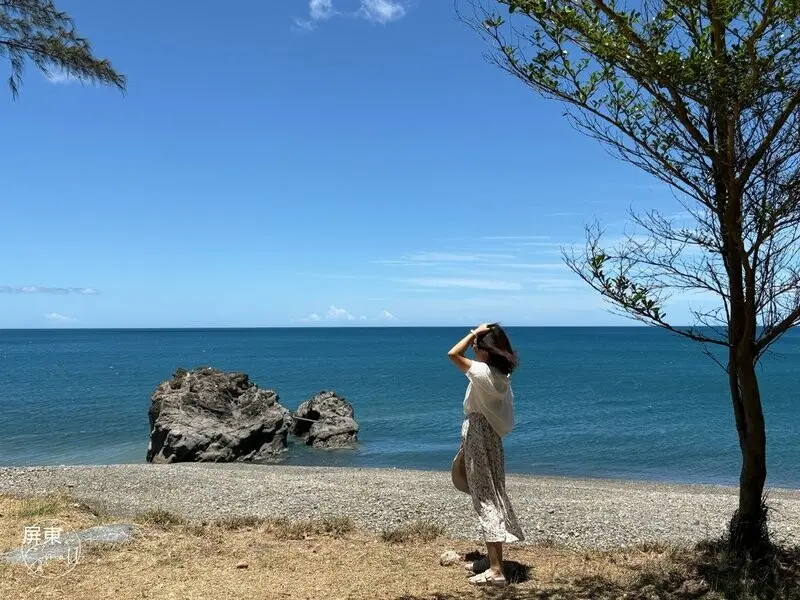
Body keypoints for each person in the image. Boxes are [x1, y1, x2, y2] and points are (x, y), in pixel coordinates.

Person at [447, 323, 524, 587]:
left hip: (479, 433)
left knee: (486, 500)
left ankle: (495, 570)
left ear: (486, 350)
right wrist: (478, 340)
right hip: (488, 436)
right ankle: (493, 560)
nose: (473, 348)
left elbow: (452, 355)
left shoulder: (482, 372)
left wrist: (471, 335)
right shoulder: (500, 374)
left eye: (478, 345)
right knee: (489, 494)